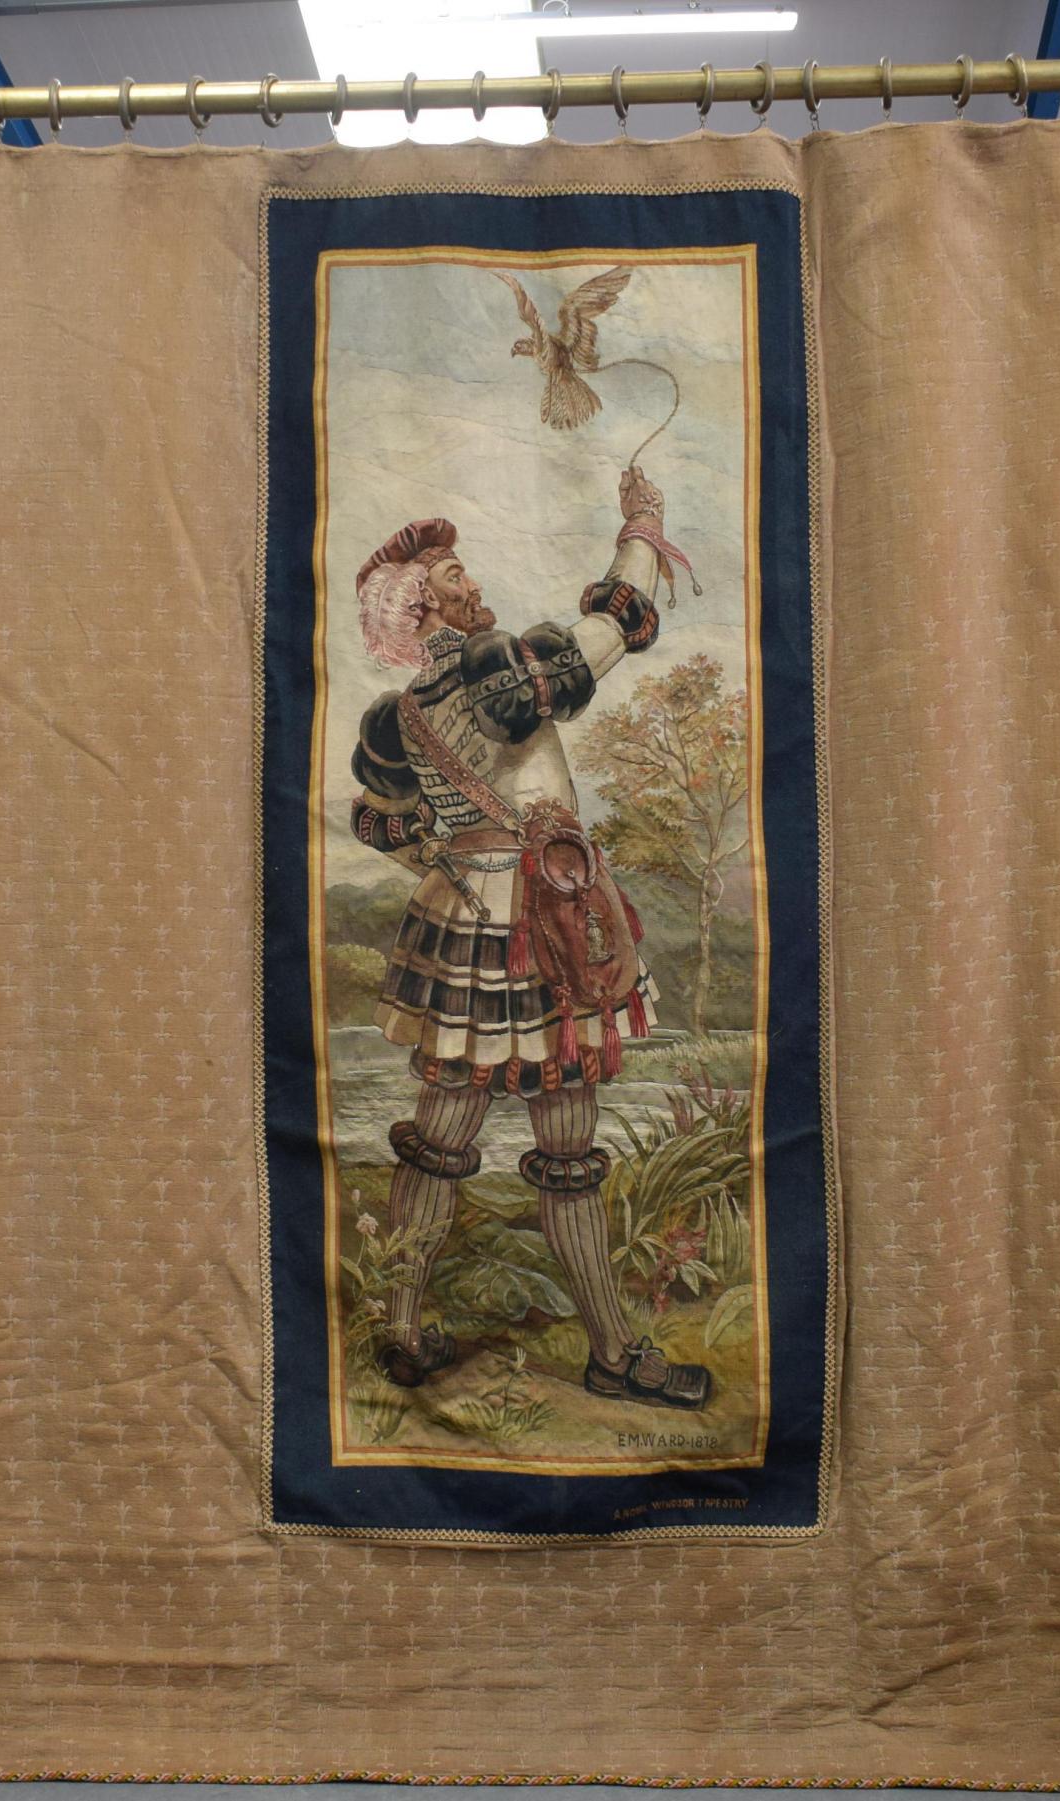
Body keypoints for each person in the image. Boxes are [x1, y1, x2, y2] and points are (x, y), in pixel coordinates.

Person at [348, 466, 713, 1410]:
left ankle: (402, 1335)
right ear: (428, 607)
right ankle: (613, 1354)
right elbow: (609, 632)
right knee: (565, 1135)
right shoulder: (493, 668)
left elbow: (378, 821)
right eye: (455, 577)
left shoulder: (395, 719)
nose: (473, 584)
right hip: (537, 921)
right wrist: (641, 529)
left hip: (460, 918)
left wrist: (449, 860)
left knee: (440, 1135)